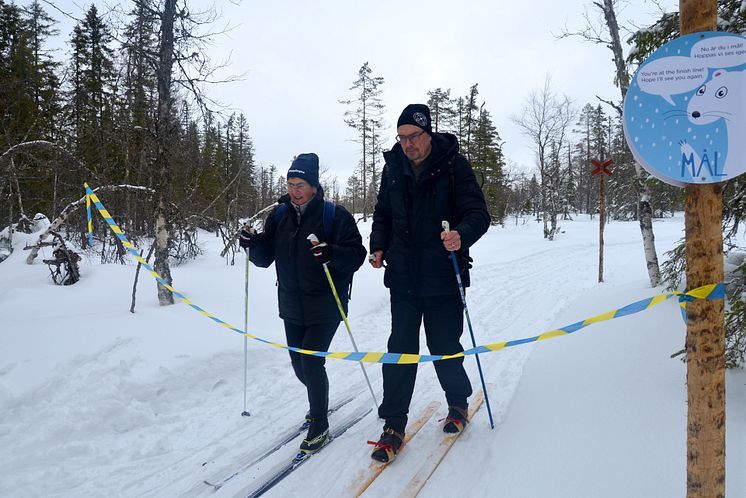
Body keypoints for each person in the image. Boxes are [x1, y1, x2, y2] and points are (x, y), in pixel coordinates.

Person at [367, 104, 490, 463]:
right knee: (400, 351)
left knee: (444, 347)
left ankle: (457, 403)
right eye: (402, 137)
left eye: (414, 136)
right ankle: (393, 424)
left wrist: (461, 236)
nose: (407, 144)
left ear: (428, 133)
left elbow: (478, 214)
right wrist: (378, 244)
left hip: (443, 279)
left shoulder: (454, 165)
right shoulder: (393, 168)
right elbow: (382, 214)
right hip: (403, 278)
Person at [239, 153, 366, 455]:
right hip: (291, 304)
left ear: (313, 186)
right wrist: (252, 244)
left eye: (300, 184)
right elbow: (265, 257)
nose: (294, 190)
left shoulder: (334, 215)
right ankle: (317, 403)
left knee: (311, 361)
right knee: (299, 365)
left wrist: (330, 252)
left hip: (326, 304)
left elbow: (356, 256)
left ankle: (319, 425)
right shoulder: (280, 215)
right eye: (290, 183)